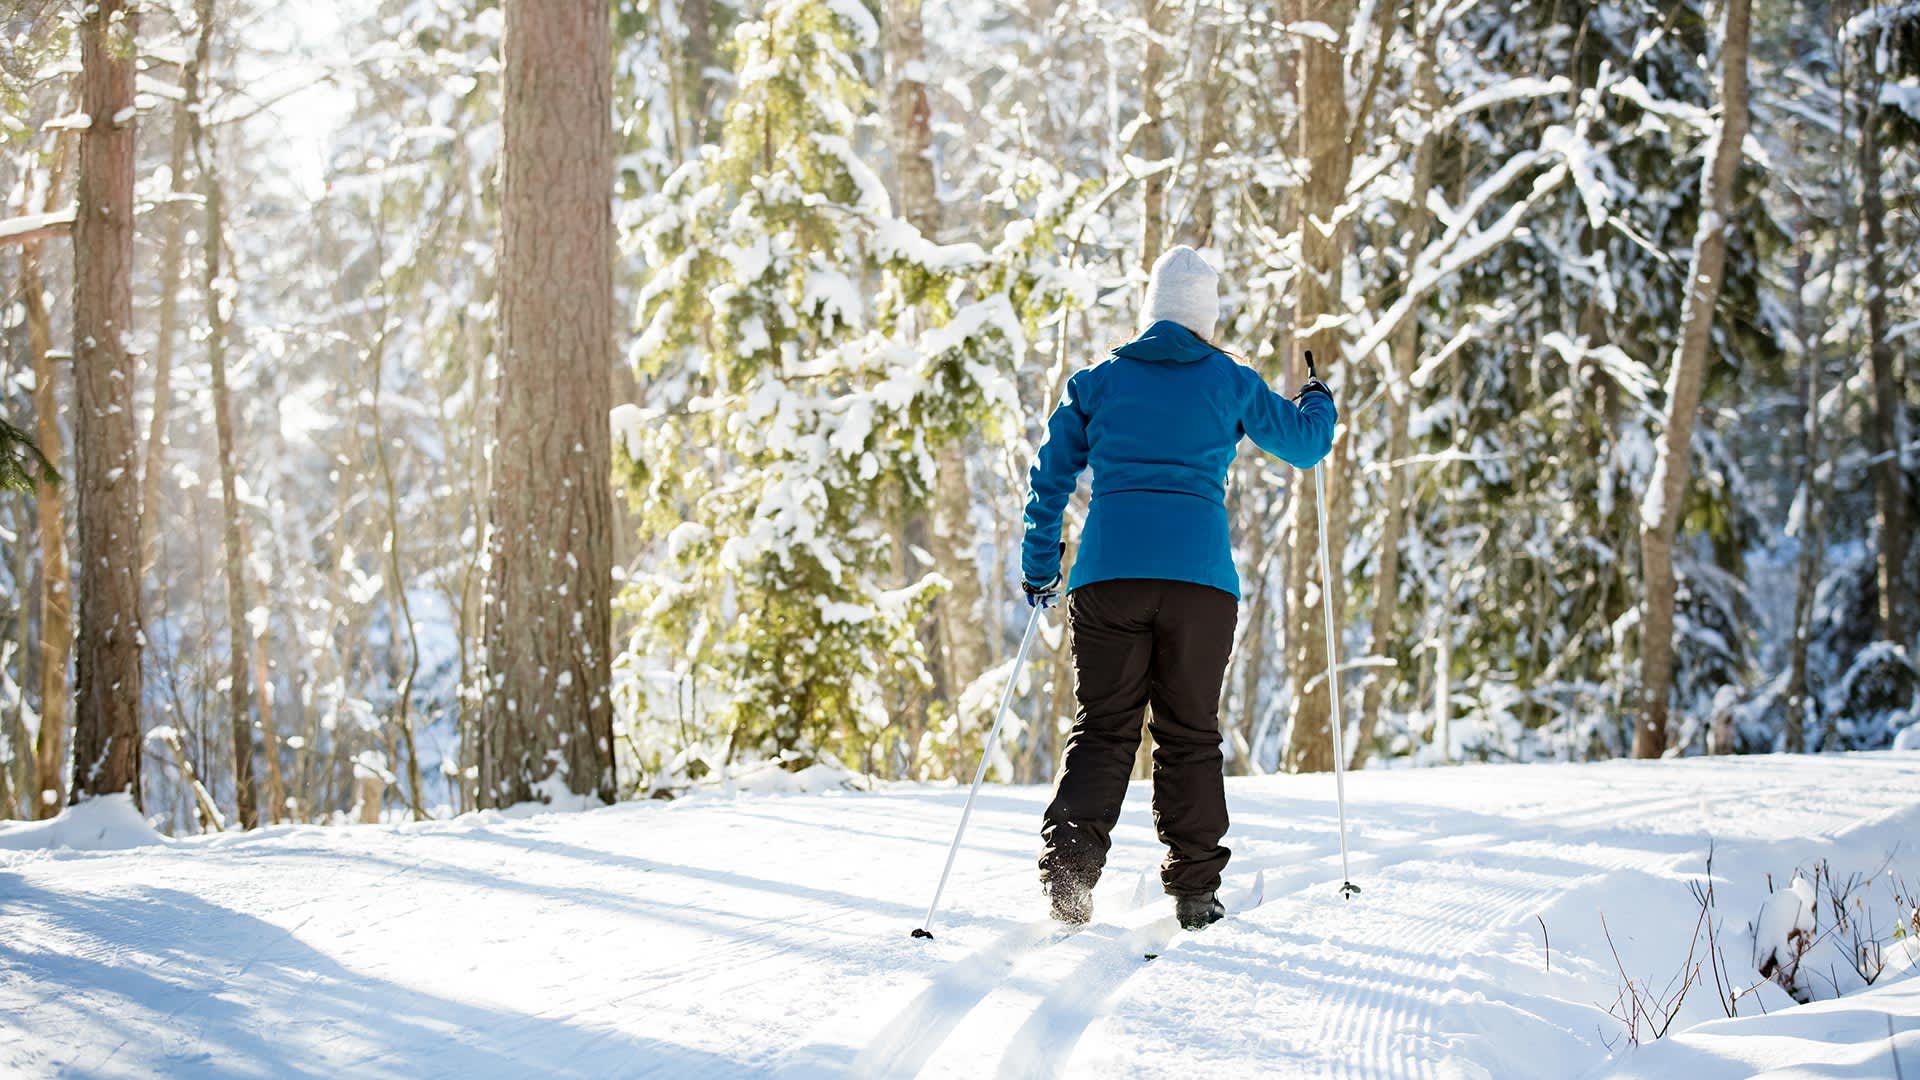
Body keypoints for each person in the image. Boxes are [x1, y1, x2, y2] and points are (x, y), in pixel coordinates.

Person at [1018, 245, 1338, 930]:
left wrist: (1041, 563)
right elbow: (1307, 446)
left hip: (1109, 578)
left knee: (1104, 729)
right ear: (1206, 319)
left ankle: (1070, 879)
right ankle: (1195, 893)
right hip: (1200, 585)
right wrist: (1318, 401)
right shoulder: (1229, 379)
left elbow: (1049, 477)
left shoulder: (1099, 381)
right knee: (1189, 734)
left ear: (1152, 312)